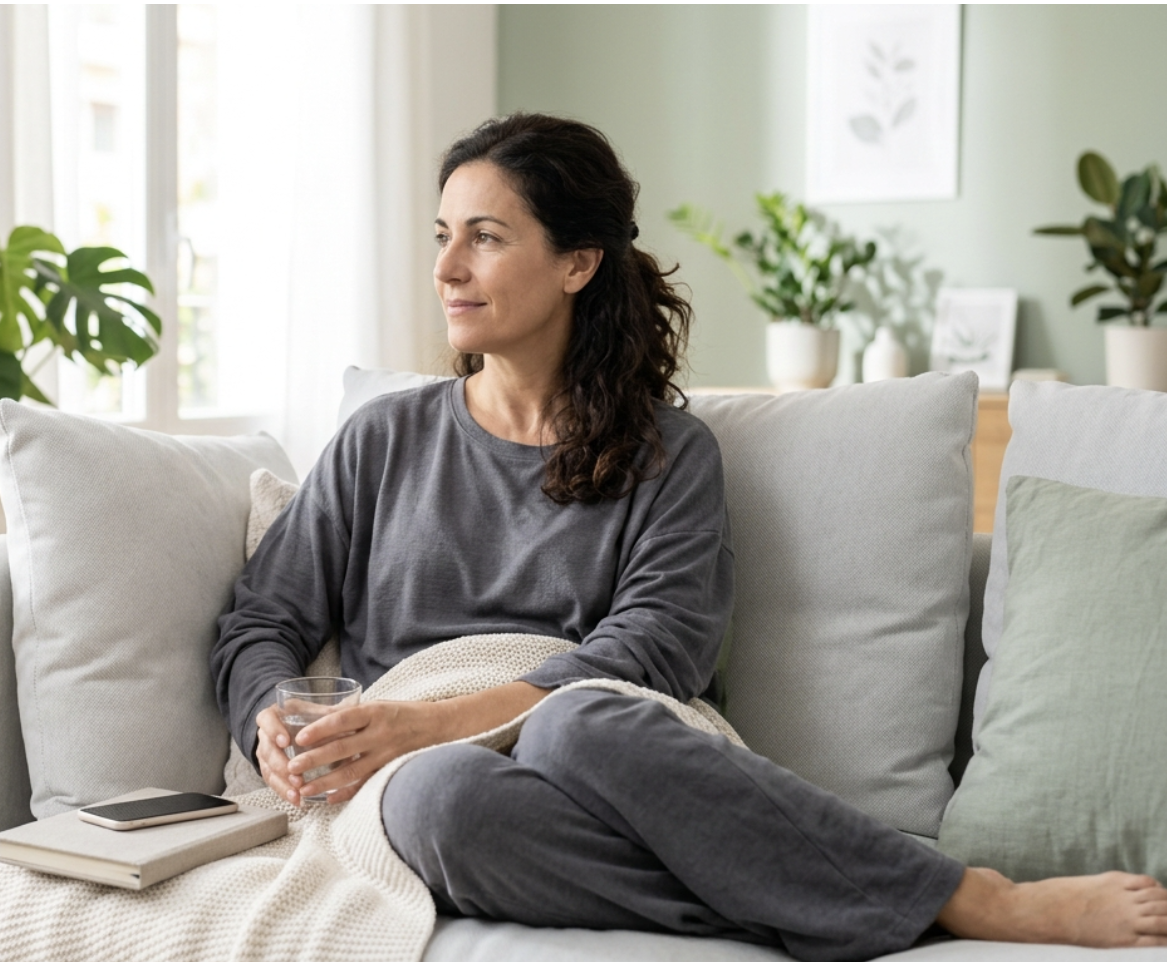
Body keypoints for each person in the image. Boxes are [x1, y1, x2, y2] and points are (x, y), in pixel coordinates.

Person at [209, 113, 1167, 961]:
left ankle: (972, 894)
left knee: (576, 717)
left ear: (577, 262)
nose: (446, 268)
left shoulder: (667, 451)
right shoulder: (386, 436)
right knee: (440, 802)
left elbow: (653, 653)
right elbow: (264, 616)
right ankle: (871, 903)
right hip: (434, 782)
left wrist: (440, 717)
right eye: (442, 236)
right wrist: (273, 719)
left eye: (485, 238)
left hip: (612, 749)